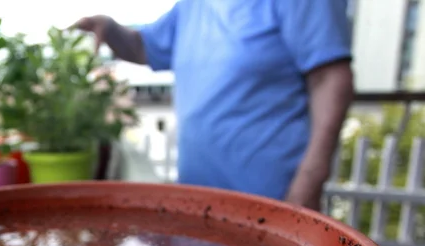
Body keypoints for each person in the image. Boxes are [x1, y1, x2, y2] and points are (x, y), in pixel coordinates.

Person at [72, 0, 354, 210]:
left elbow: (330, 77)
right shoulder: (193, 5)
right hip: (199, 200)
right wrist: (108, 28)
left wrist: (310, 179)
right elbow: (143, 47)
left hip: (275, 199)